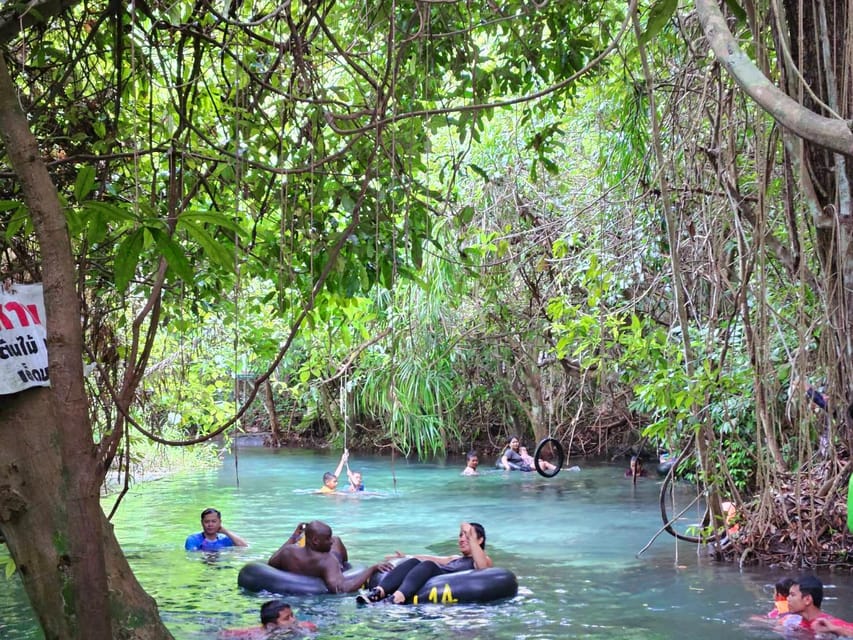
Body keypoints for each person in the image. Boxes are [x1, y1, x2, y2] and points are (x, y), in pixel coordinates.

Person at [357, 521, 492, 605]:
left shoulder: (482, 559)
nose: (462, 539)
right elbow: (431, 558)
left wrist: (471, 537)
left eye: (466, 536)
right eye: (460, 535)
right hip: (432, 575)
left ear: (479, 540)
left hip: (443, 580)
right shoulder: (454, 558)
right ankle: (378, 593)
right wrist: (406, 556)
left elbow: (483, 569)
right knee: (414, 562)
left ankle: (397, 598)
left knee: (428, 565)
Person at [267, 520, 389, 593]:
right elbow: (341, 590)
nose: (330, 541)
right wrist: (372, 569)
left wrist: (294, 536)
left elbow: (270, 565)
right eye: (327, 538)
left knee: (335, 540)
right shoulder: (328, 561)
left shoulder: (288, 551)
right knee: (337, 540)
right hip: (332, 569)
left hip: (299, 570)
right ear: (315, 540)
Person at [786, 575, 853, 632]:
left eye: (792, 595)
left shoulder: (830, 624)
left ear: (807, 600)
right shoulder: (793, 622)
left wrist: (834, 630)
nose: (787, 598)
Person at [219, 599, 317, 638]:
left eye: (292, 615)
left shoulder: (306, 627)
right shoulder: (255, 635)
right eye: (287, 618)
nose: (293, 620)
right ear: (271, 625)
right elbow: (222, 634)